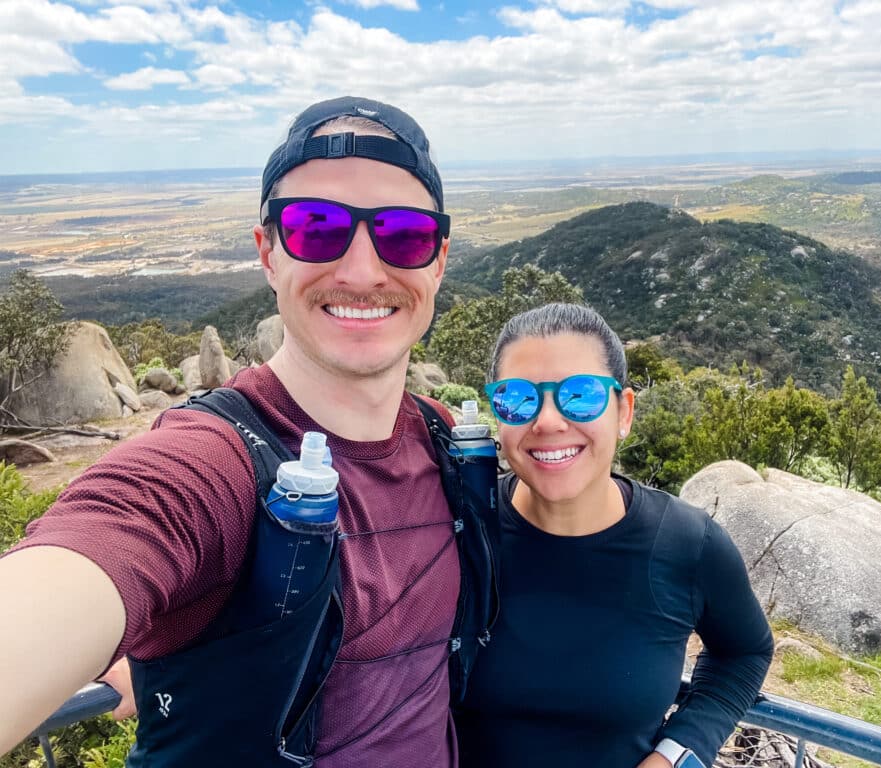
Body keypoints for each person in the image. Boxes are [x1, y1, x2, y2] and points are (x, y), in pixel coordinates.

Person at [0, 96, 496, 767]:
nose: (360, 269)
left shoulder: (446, 442)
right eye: (316, 227)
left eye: (403, 234)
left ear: (436, 260)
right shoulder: (208, 466)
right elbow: (90, 556)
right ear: (268, 253)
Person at [456, 303, 774, 768]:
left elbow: (745, 653)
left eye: (580, 395)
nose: (546, 421)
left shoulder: (688, 544)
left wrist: (678, 754)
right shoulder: (461, 531)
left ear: (624, 412)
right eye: (517, 397)